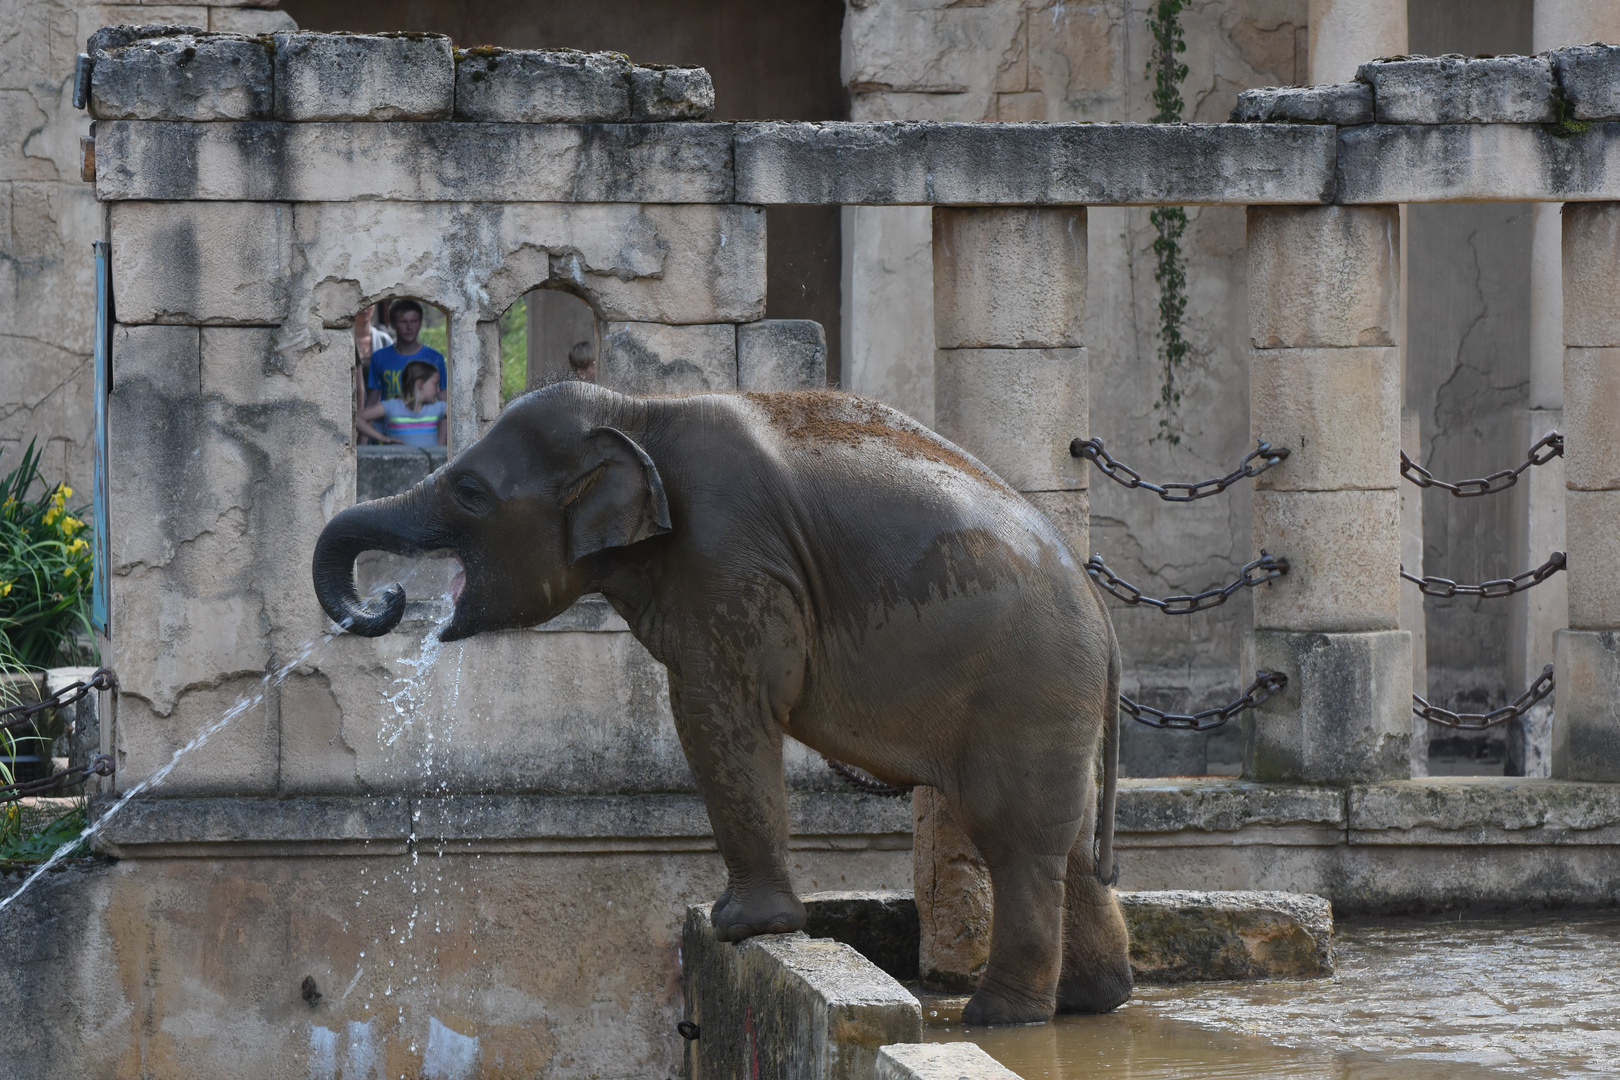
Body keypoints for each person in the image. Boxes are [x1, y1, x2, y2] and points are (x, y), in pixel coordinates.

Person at [367, 299, 448, 404]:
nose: (409, 327)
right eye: (403, 322)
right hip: (389, 419)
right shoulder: (379, 357)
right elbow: (373, 399)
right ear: (392, 324)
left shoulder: (435, 358)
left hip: (424, 419)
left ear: (420, 323)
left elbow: (444, 399)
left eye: (414, 321)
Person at [359, 360, 446, 447]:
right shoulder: (392, 407)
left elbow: (459, 412)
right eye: (435, 384)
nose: (438, 389)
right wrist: (381, 437)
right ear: (420, 383)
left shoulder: (437, 408)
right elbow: (355, 418)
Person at [353, 304, 394, 445]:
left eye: (369, 304)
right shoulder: (344, 340)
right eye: (361, 304)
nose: (364, 309)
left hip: (378, 417)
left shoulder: (385, 340)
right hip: (351, 415)